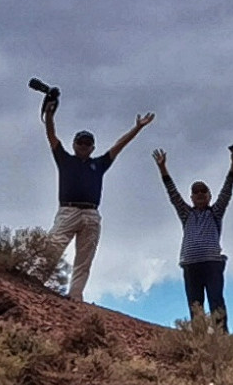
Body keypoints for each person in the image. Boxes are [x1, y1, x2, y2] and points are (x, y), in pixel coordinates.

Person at [38, 89, 152, 301]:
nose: (83, 146)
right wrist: (50, 114)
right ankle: (35, 282)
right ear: (74, 144)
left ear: (92, 147)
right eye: (80, 142)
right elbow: (51, 135)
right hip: (68, 210)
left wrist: (137, 128)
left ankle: (75, 296)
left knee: (85, 258)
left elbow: (119, 146)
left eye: (87, 143)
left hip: (91, 213)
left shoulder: (99, 164)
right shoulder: (65, 159)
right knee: (53, 247)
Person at [156, 145, 233, 330]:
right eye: (196, 192)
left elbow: (226, 192)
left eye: (203, 191)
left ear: (209, 196)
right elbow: (173, 194)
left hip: (212, 264)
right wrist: (162, 168)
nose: (199, 194)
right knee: (195, 305)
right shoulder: (186, 214)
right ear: (191, 197)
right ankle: (199, 338)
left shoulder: (215, 213)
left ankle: (222, 337)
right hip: (191, 265)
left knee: (216, 302)